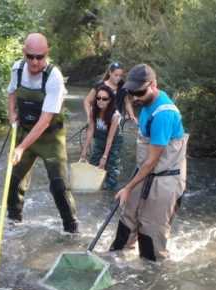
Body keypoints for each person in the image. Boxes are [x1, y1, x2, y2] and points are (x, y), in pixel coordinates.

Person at [109, 63, 189, 261]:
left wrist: (128, 187)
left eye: (140, 92)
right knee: (127, 221)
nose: (135, 97)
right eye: (132, 92)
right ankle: (116, 262)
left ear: (154, 84)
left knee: (151, 238)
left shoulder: (164, 113)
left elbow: (153, 160)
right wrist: (131, 187)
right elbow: (147, 161)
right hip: (145, 172)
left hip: (165, 179)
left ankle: (149, 279)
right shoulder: (145, 103)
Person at [7, 33, 79, 233]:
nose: (35, 62)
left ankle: (71, 229)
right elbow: (12, 92)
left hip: (50, 138)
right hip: (24, 131)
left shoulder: (53, 77)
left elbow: (45, 119)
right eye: (30, 56)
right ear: (24, 53)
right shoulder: (17, 69)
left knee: (59, 186)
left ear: (47, 53)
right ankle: (14, 222)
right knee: (12, 182)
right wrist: (11, 112)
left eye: (40, 57)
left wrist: (21, 147)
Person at [80, 84, 123, 191]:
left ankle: (109, 192)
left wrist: (104, 157)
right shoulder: (93, 110)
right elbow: (90, 131)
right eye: (98, 98)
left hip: (113, 142)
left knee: (111, 167)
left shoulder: (115, 115)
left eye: (104, 99)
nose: (100, 101)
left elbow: (110, 138)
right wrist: (84, 151)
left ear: (110, 100)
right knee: (93, 163)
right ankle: (93, 188)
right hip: (99, 139)